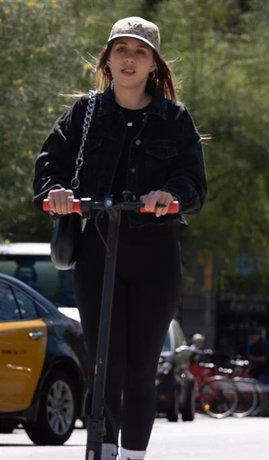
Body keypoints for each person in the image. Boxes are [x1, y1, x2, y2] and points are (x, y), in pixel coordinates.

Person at [33, 17, 207, 460]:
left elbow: (194, 184)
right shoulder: (85, 113)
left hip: (155, 255)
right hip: (98, 251)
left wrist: (170, 194)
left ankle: (133, 455)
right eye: (121, 50)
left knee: (140, 367)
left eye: (140, 52)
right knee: (102, 363)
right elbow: (50, 163)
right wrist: (56, 194)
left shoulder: (174, 118)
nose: (129, 58)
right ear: (108, 60)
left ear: (153, 65)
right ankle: (102, 452)